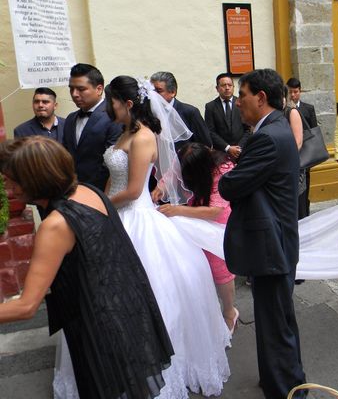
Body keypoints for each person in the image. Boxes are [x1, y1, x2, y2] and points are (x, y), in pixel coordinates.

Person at [0, 137, 174, 399]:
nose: (8, 186)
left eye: (13, 180)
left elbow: (26, 306)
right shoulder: (88, 191)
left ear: (34, 179)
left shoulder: (56, 225)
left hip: (98, 325)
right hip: (127, 309)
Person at [92, 75, 230, 397]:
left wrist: (96, 205)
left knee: (157, 292)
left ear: (127, 104)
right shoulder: (124, 132)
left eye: (111, 100)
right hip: (117, 216)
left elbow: (132, 190)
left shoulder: (141, 137)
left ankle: (163, 365)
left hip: (136, 217)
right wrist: (99, 203)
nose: (107, 107)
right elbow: (114, 181)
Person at [218, 68, 306, 399]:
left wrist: (230, 173)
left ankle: (289, 390)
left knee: (276, 325)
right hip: (275, 243)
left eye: (242, 95)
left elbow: (230, 186)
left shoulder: (267, 137)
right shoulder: (272, 130)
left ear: (261, 98)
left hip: (272, 245)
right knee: (275, 321)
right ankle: (277, 381)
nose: (238, 102)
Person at [158, 142, 239, 333]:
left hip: (218, 223)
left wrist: (177, 210)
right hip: (194, 214)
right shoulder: (192, 161)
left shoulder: (224, 169)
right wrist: (161, 187)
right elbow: (173, 173)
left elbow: (215, 211)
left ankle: (229, 311)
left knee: (219, 268)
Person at [62, 63, 122, 191]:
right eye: (71, 89)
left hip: (102, 191)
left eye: (81, 89)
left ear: (99, 89)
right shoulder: (70, 119)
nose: (74, 94)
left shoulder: (114, 116)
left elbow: (111, 162)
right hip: (72, 190)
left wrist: (88, 191)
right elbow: (66, 155)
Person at [150, 71, 212, 149]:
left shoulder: (190, 112)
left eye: (159, 91)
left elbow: (205, 144)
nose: (154, 95)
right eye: (152, 91)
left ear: (173, 92)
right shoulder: (148, 112)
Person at [286, 77, 318, 220]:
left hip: (306, 150)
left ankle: (306, 210)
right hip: (291, 149)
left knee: (306, 182)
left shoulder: (308, 108)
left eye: (296, 92)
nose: (293, 95)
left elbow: (313, 129)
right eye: (290, 92)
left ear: (300, 91)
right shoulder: (285, 110)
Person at [204, 72, 250, 160]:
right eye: (223, 85)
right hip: (221, 153)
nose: (227, 88)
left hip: (241, 152)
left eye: (230, 85)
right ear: (217, 88)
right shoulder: (210, 107)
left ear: (233, 87)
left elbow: (248, 129)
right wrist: (228, 148)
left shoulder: (242, 103)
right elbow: (210, 131)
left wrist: (238, 148)